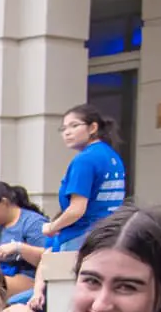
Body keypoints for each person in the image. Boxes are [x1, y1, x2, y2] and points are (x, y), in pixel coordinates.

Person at [48, 103, 128, 250]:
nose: (67, 133)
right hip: (110, 235)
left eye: (74, 126)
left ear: (92, 128)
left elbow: (76, 210)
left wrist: (52, 227)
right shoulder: (113, 156)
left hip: (81, 237)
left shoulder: (84, 160)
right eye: (63, 128)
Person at [0, 182, 51, 302]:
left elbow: (49, 256)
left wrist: (19, 248)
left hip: (28, 279)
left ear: (4, 202)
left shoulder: (33, 223)